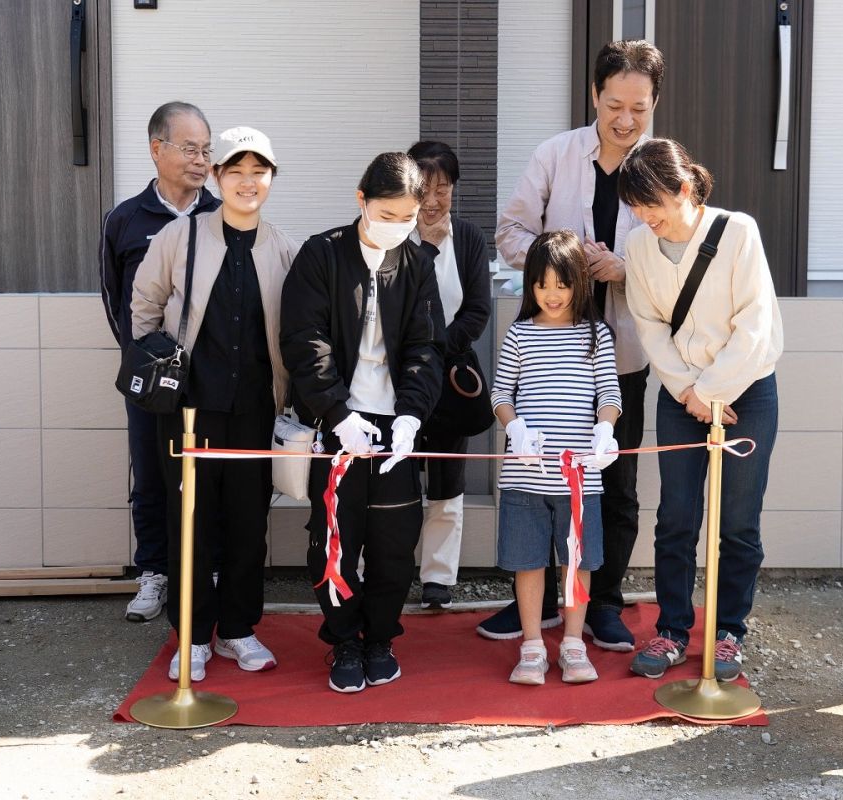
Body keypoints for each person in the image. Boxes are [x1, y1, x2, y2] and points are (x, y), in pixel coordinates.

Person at [487, 40, 666, 650]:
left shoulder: (664, 168)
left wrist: (625, 268)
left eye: (638, 108)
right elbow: (509, 230)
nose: (625, 119)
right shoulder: (555, 155)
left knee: (614, 484)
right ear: (594, 95)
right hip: (545, 352)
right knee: (533, 485)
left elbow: (680, 256)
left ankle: (604, 602)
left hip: (624, 356)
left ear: (653, 105)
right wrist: (558, 260)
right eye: (614, 103)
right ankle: (528, 604)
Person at [132, 127, 297, 682]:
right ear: (218, 177)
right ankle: (194, 635)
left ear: (271, 179)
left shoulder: (281, 246)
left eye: (259, 172)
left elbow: (290, 332)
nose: (248, 182)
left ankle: (238, 630)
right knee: (192, 522)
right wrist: (156, 361)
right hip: (189, 410)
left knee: (249, 522)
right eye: (236, 171)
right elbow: (144, 305)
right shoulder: (182, 237)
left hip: (254, 408)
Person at [617, 138, 782, 682]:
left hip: (746, 392)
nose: (644, 218)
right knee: (677, 517)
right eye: (636, 208)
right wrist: (690, 392)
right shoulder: (640, 246)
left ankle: (729, 630)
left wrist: (713, 392)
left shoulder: (738, 232)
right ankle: (671, 628)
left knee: (737, 519)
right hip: (678, 392)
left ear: (684, 189)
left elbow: (754, 324)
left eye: (652, 205)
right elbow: (649, 326)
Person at [280, 152, 444, 694]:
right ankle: (344, 639)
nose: (396, 226)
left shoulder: (417, 263)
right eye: (386, 213)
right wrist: (336, 414)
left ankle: (381, 637)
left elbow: (426, 348)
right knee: (335, 537)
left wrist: (412, 417)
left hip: (395, 425)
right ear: (361, 200)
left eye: (407, 217)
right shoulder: (322, 255)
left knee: (396, 538)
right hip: (339, 424)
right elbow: (306, 343)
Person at [100, 101, 220, 623]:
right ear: (157, 149)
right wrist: (141, 361)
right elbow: (113, 299)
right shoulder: (126, 219)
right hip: (149, 382)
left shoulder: (219, 213)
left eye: (206, 150)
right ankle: (154, 573)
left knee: (205, 477)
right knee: (150, 476)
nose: (201, 160)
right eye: (189, 148)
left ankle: (206, 570)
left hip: (211, 380)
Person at [492, 230, 621, 685]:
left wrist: (605, 428)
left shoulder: (596, 335)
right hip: (525, 477)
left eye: (562, 284)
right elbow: (499, 393)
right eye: (542, 284)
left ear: (579, 284)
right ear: (530, 286)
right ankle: (531, 646)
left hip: (579, 480)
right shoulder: (519, 335)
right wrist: (515, 427)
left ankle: (572, 643)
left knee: (577, 563)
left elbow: (610, 392)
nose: (552, 294)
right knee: (528, 563)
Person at [405, 140, 492, 610]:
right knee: (393, 476)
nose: (434, 201)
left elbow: (477, 309)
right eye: (424, 189)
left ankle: (439, 576)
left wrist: (438, 352)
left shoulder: (471, 238)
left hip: (451, 375)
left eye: (444, 189)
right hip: (398, 379)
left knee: (447, 476)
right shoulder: (394, 233)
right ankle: (392, 567)